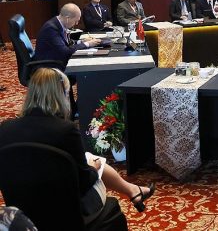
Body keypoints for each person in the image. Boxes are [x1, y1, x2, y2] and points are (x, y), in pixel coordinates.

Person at [0, 68, 155, 216]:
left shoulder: (5, 128)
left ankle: (133, 190)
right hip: (68, 209)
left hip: (21, 209)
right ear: (61, 95)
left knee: (87, 158)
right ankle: (133, 190)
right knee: (94, 162)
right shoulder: (65, 131)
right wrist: (93, 168)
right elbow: (85, 181)